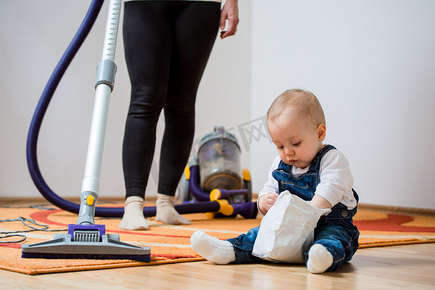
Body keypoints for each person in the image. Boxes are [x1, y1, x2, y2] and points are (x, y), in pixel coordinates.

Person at [190, 89, 360, 273]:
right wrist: (264, 202)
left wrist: (306, 215)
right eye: (279, 146)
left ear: (320, 133)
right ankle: (229, 250)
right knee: (258, 234)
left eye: (295, 143)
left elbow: (330, 189)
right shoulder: (280, 164)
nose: (287, 152)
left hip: (329, 224)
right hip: (290, 229)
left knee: (335, 239)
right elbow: (270, 187)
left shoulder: (332, 159)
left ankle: (322, 255)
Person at [119, 0, 239, 230]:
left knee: (182, 105)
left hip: (201, 4)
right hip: (144, 4)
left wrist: (232, 1)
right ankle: (133, 205)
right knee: (145, 100)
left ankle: (166, 203)